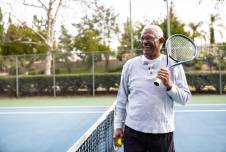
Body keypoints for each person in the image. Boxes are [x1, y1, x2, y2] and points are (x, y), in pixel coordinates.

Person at [113, 25, 191, 152]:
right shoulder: (129, 65)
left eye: (149, 38)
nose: (144, 42)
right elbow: (121, 99)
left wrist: (169, 85)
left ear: (161, 41)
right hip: (132, 133)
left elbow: (185, 99)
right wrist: (117, 127)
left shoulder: (174, 65)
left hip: (162, 133)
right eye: (143, 38)